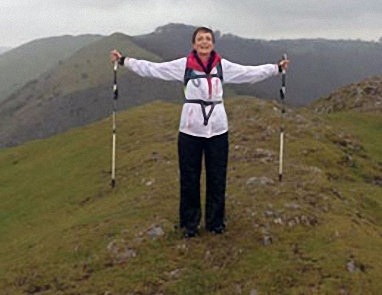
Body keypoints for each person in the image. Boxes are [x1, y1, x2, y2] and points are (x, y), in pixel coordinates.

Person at [110, 26, 289, 238]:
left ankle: (215, 223)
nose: (204, 42)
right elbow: (153, 68)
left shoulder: (222, 66)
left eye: (208, 39)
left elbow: (248, 72)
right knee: (189, 177)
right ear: (194, 44)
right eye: (200, 39)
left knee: (217, 177)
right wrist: (124, 61)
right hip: (190, 129)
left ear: (213, 43)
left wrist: (276, 69)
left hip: (218, 129)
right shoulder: (183, 65)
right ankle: (189, 224)